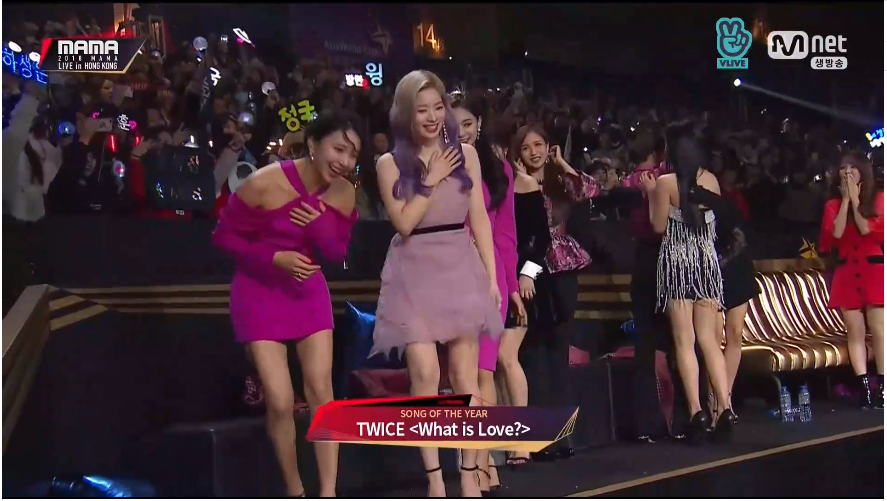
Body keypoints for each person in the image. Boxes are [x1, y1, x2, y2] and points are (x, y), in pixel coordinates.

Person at [212, 110, 364, 497]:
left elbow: (336, 252)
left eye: (353, 155)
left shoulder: (344, 192)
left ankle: (328, 492)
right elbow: (224, 237)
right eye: (339, 149)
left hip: (308, 292)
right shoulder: (264, 182)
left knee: (321, 391)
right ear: (313, 144)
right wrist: (274, 258)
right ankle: (294, 489)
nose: (345, 161)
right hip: (258, 291)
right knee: (280, 401)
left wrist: (318, 223)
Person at [371, 70, 503, 498]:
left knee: (465, 376)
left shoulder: (467, 154)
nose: (431, 117)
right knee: (425, 373)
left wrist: (492, 276)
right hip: (413, 270)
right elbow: (404, 223)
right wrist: (429, 180)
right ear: (405, 114)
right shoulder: (389, 163)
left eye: (437, 107)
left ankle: (469, 474)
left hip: (459, 264)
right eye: (421, 109)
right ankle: (434, 479)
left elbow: (479, 218)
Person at [640, 119, 735, 442]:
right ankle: (725, 406)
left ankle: (696, 411)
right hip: (706, 262)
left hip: (677, 263)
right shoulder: (711, 180)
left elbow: (657, 227)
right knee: (709, 340)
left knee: (684, 341)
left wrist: (650, 194)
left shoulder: (665, 183)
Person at [508, 123, 600, 461]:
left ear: (549, 147)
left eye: (539, 145)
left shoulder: (558, 181)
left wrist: (561, 163)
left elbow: (589, 190)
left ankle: (562, 436)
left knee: (559, 353)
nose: (533, 152)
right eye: (526, 147)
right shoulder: (514, 184)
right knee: (533, 356)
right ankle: (539, 438)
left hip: (560, 271)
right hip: (529, 273)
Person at [451, 93, 523, 494]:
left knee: (484, 371)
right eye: (453, 125)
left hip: (490, 275)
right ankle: (476, 463)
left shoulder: (499, 170)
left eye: (467, 124)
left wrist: (510, 285)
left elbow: (506, 234)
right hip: (449, 274)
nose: (461, 132)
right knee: (463, 376)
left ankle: (485, 460)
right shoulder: (439, 166)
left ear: (478, 124)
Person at [688, 177, 761, 420]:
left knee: (735, 333)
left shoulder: (725, 205)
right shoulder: (687, 201)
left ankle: (725, 399)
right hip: (709, 270)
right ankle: (715, 399)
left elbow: (738, 224)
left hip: (736, 266)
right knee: (713, 338)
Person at [819, 152, 884, 409]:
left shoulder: (879, 199)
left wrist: (856, 201)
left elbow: (867, 229)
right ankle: (864, 388)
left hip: (873, 269)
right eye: (843, 168)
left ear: (863, 172)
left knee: (879, 329)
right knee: (854, 331)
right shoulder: (832, 205)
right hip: (846, 271)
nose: (846, 172)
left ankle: (883, 389)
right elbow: (835, 234)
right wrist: (846, 200)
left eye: (852, 168)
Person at [504, 136, 551, 465]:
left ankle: (521, 439)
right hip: (486, 277)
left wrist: (528, 274)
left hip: (522, 281)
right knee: (490, 365)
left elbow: (542, 239)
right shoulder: (478, 185)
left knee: (507, 356)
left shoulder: (525, 184)